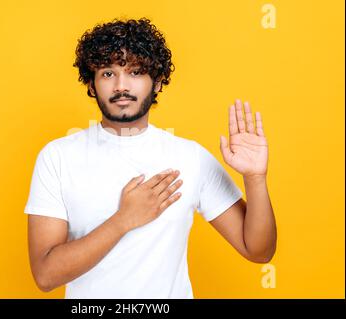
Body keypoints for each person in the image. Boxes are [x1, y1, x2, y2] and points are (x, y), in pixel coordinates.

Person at [24, 17, 277, 299]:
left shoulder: (190, 157)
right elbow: (45, 275)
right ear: (92, 85)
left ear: (156, 82)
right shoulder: (57, 157)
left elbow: (258, 251)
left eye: (135, 72)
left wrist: (255, 179)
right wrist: (124, 220)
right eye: (108, 73)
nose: (121, 85)